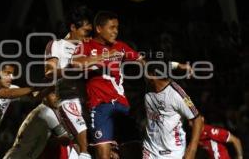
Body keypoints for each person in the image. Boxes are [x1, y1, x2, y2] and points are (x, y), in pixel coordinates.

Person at [71, 11, 192, 159]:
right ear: (98, 29)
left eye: (117, 27)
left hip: (122, 105)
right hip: (100, 106)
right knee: (103, 153)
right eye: (112, 27)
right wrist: (102, 57)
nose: (116, 31)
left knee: (133, 149)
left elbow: (145, 62)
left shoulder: (121, 47)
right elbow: (76, 64)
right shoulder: (86, 45)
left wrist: (177, 65)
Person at [43, 5, 93, 159]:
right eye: (85, 32)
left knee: (79, 149)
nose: (87, 36)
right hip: (68, 99)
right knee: (83, 147)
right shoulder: (57, 45)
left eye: (90, 33)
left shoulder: (90, 47)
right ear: (73, 27)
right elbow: (49, 72)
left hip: (91, 103)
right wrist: (71, 69)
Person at [142, 63, 203, 159]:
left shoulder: (177, 94)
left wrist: (192, 149)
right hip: (150, 150)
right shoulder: (148, 87)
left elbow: (198, 119)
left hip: (173, 153)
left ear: (152, 75)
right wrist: (179, 65)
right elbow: (146, 62)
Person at [3, 89, 71, 159]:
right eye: (53, 94)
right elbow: (65, 140)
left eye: (58, 94)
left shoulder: (40, 109)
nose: (57, 97)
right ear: (44, 96)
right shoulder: (46, 112)